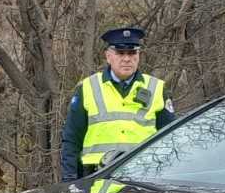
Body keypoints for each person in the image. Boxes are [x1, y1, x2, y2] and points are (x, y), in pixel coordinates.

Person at [60, 27, 174, 181]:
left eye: (132, 53)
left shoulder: (156, 88)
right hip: (95, 177)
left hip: (144, 178)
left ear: (139, 55)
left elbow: (170, 138)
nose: (127, 59)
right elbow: (72, 139)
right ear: (108, 56)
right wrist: (69, 179)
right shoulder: (88, 87)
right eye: (120, 53)